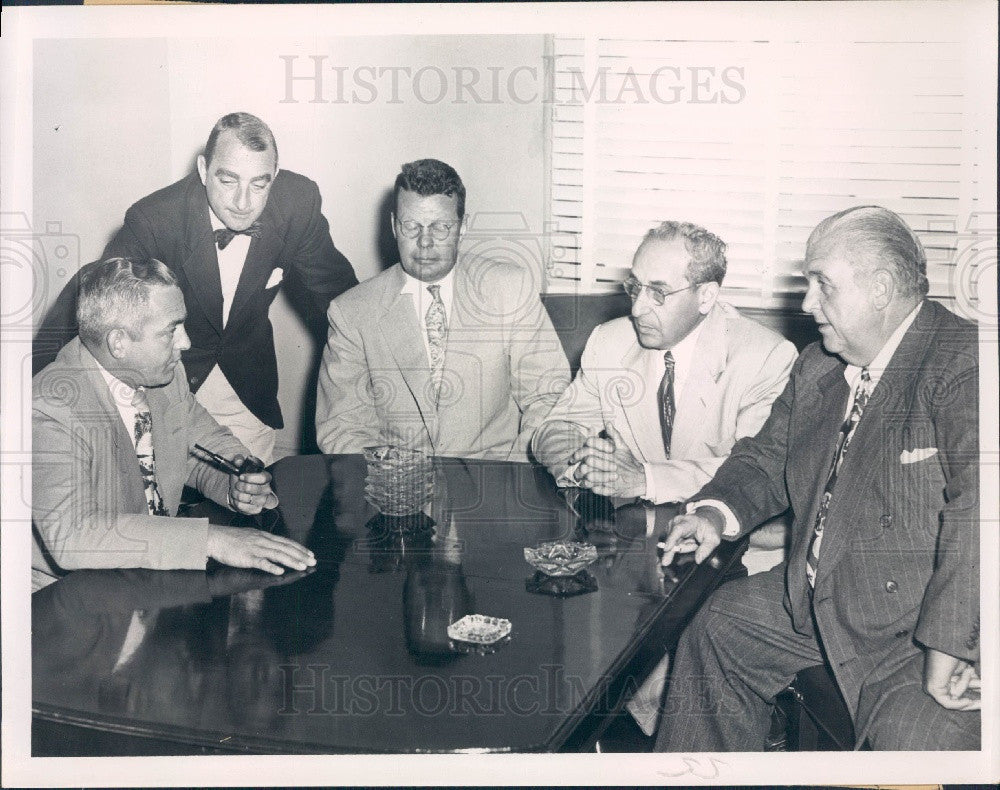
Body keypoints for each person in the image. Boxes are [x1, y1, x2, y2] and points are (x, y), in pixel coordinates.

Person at [656, 206, 980, 751]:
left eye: (821, 284)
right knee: (716, 627)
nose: (806, 304)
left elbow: (985, 507)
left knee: (918, 741)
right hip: (813, 593)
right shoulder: (819, 366)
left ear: (880, 289)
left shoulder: (962, 363)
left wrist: (950, 644)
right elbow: (765, 458)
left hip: (911, 627)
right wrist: (714, 511)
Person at [532, 220, 797, 736]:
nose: (636, 307)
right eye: (635, 286)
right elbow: (554, 426)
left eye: (658, 292)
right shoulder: (610, 343)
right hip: (639, 547)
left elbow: (753, 470)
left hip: (734, 552)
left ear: (706, 295)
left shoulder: (765, 356)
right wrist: (577, 456)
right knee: (566, 636)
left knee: (652, 665)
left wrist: (644, 478)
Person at [33, 112, 358, 463]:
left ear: (275, 176)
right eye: (228, 181)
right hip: (166, 379)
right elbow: (90, 300)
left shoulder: (298, 202)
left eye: (259, 184)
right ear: (203, 170)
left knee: (253, 501)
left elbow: (339, 296)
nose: (243, 202)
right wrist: (37, 394)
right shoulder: (156, 219)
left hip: (246, 386)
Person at [32, 257, 316, 592]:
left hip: (143, 572)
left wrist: (235, 484)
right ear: (118, 342)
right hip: (64, 593)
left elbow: (200, 446)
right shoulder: (52, 406)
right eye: (171, 330)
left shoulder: (164, 377)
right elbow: (73, 535)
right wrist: (210, 540)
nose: (185, 342)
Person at [315, 158, 570, 460]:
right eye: (412, 226)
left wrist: (514, 474)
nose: (425, 242)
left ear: (463, 227)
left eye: (441, 227)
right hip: (396, 487)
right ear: (394, 226)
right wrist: (396, 479)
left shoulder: (510, 288)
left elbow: (547, 397)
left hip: (496, 476)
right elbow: (342, 427)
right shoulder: (351, 312)